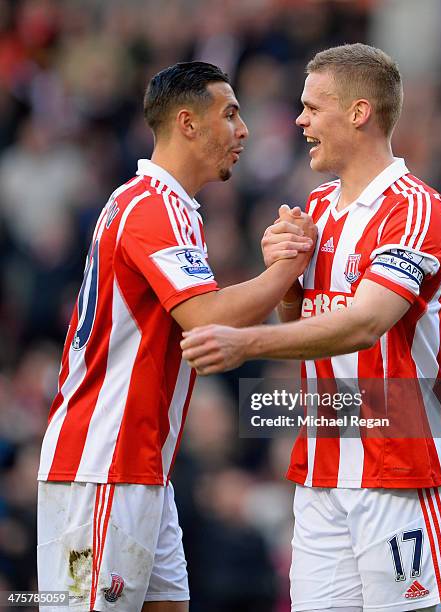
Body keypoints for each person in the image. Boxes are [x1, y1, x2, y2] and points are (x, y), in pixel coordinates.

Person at [181, 45, 441, 612]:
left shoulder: (414, 209)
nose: (299, 121)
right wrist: (285, 283)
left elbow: (364, 324)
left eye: (312, 107)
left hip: (400, 468)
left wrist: (247, 341)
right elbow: (306, 326)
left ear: (359, 113)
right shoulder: (316, 208)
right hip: (321, 468)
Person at [36, 61, 316, 612]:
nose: (244, 130)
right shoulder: (152, 207)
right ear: (187, 123)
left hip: (139, 466)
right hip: (102, 467)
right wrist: (286, 268)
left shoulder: (160, 204)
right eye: (230, 114)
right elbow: (206, 316)